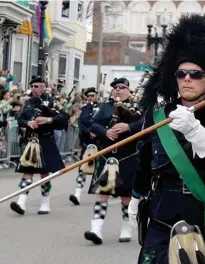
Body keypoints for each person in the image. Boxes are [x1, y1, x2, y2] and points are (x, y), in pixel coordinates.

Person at [128, 14, 205, 263]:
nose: (187, 80)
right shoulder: (158, 116)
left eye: (195, 74)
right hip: (161, 216)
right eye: (181, 74)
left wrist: (196, 132)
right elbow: (145, 160)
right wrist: (137, 197)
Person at [84, 78, 144, 245]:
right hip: (108, 156)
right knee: (102, 193)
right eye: (116, 88)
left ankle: (126, 227)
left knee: (126, 196)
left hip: (128, 157)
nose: (118, 90)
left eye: (122, 87)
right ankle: (96, 229)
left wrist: (128, 127)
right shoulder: (105, 106)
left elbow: (144, 124)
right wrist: (105, 132)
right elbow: (93, 124)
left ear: (129, 90)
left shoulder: (137, 106)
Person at [10, 77, 69, 215]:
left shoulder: (51, 102)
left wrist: (49, 120)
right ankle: (21, 202)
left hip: (46, 140)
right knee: (27, 172)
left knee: (44, 174)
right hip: (31, 140)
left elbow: (64, 117)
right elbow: (20, 119)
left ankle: (45, 202)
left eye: (37, 86)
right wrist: (27, 123)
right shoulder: (28, 103)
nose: (34, 89)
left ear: (43, 87)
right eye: (32, 86)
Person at [69, 87, 99, 205]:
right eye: (89, 96)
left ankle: (103, 194)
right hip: (87, 143)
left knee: (101, 170)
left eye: (93, 95)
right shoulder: (84, 109)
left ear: (97, 96)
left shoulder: (103, 107)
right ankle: (77, 194)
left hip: (100, 143)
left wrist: (98, 132)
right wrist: (88, 132)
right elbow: (80, 124)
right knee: (82, 170)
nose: (91, 98)